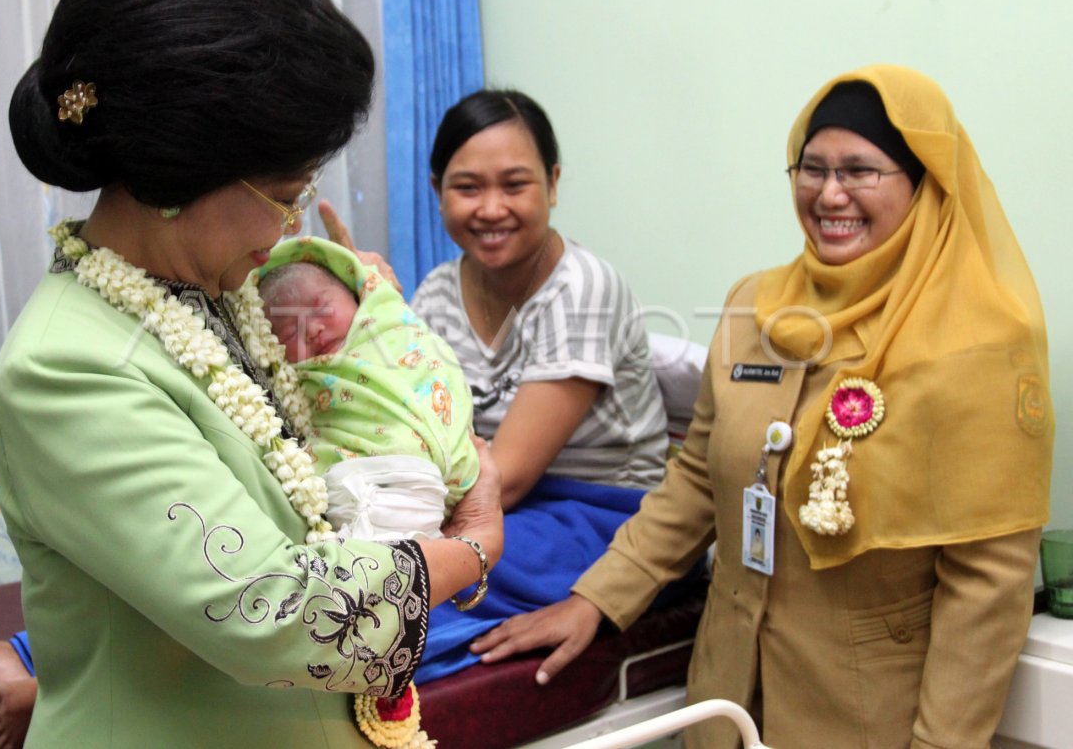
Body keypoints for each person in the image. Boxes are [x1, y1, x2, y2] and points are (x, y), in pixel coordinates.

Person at [0, 0, 504, 749]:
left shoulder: (228, 294)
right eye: (285, 193)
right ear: (173, 176)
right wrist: (473, 543)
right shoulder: (65, 370)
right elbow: (277, 613)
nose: (292, 224)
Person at [470, 65, 1054, 748]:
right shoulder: (758, 304)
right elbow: (695, 478)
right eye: (812, 168)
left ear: (923, 182)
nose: (830, 193)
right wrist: (597, 598)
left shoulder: (981, 337)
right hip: (726, 692)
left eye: (861, 171)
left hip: (871, 717)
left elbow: (987, 584)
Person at [406, 89, 700, 683]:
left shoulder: (581, 290)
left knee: (416, 576)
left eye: (515, 185)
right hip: (497, 509)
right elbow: (414, 431)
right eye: (467, 188)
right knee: (383, 561)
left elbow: (510, 477)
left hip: (599, 513)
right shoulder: (436, 292)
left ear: (553, 183)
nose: (492, 208)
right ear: (436, 190)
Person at [259, 237, 480, 539]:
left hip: (452, 471)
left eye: (321, 307)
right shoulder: (296, 379)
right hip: (374, 483)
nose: (312, 329)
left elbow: (432, 364)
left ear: (354, 293)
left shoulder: (392, 326)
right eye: (290, 331)